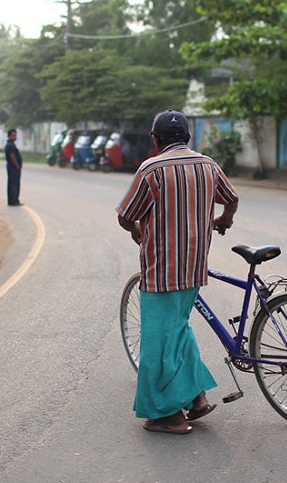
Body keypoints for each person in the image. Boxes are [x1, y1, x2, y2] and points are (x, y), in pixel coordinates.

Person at [116, 110, 239, 435]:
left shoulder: (151, 169)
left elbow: (126, 215)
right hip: (194, 266)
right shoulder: (208, 165)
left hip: (161, 270)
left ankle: (168, 415)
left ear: (155, 140)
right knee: (179, 329)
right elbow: (231, 199)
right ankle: (196, 398)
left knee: (157, 340)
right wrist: (223, 220)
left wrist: (137, 229)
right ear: (187, 137)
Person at [4, 128, 23, 206]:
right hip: (13, 168)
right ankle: (14, 201)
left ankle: (13, 200)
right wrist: (17, 165)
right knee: (14, 184)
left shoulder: (11, 144)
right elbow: (12, 156)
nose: (14, 137)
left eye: (15, 135)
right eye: (13, 135)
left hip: (12, 167)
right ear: (9, 136)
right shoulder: (10, 145)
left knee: (13, 183)